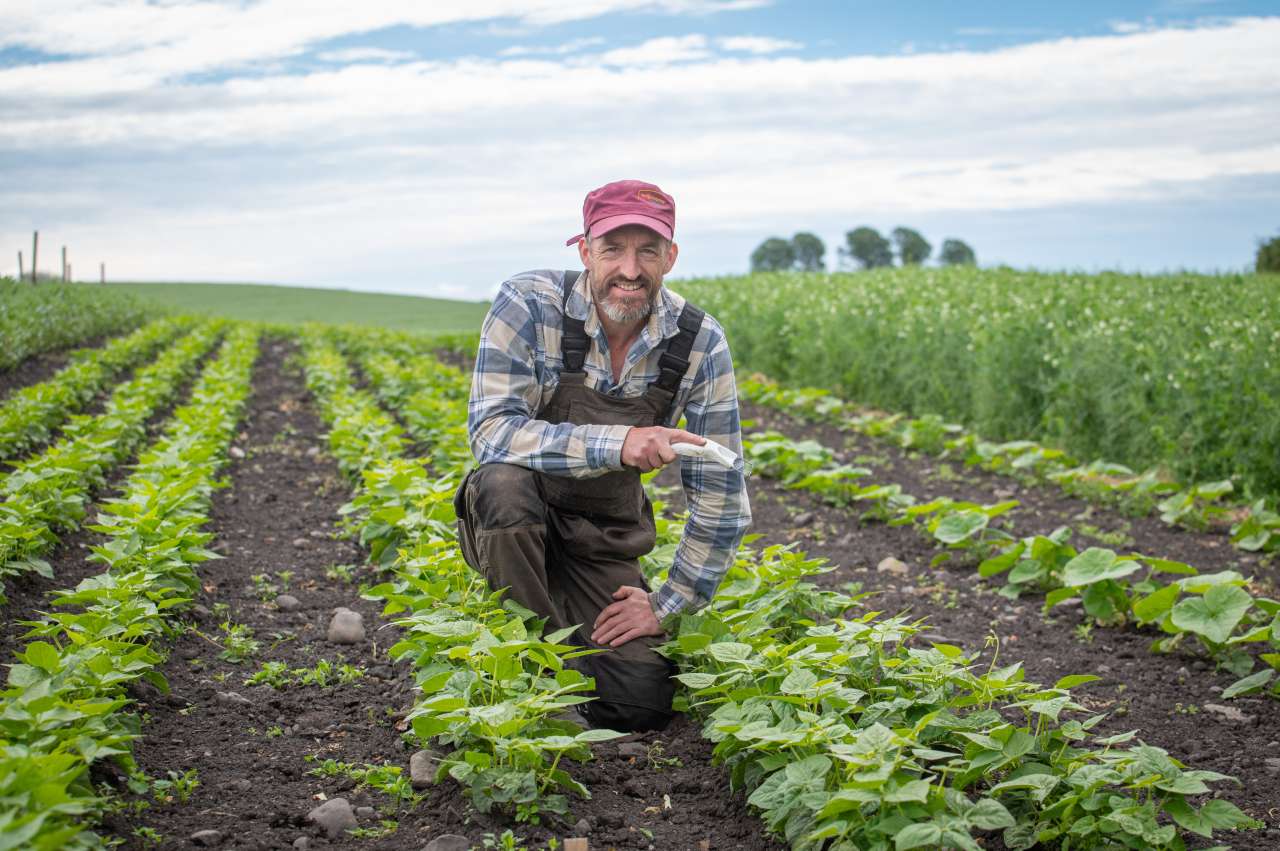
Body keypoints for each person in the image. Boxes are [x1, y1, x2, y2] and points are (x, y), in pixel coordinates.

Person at [454, 179, 751, 732]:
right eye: (613, 248)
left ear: (672, 257)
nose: (631, 270)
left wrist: (665, 603)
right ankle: (533, 668)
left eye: (648, 250)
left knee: (639, 702)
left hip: (600, 538)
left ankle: (567, 636)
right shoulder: (529, 304)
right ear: (585, 250)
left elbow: (723, 494)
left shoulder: (699, 343)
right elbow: (492, 432)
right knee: (501, 485)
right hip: (518, 520)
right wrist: (619, 442)